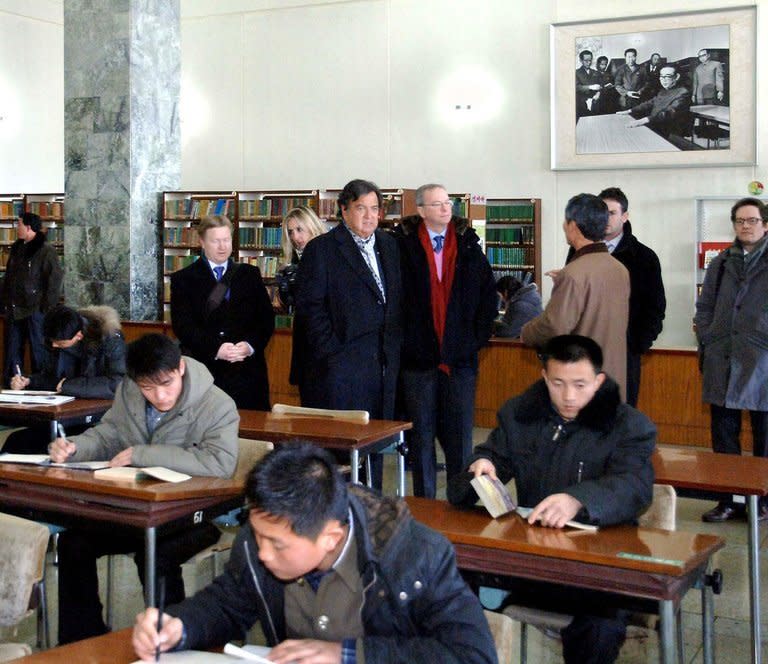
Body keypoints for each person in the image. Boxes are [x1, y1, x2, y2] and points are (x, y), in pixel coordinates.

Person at [132, 441, 497, 664]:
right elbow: (227, 604)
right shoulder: (260, 538)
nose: (262, 553)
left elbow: (473, 656)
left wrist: (348, 656)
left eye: (277, 544)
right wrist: (179, 626)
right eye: (258, 536)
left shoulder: (414, 555)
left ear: (331, 537)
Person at [447, 335, 655, 664]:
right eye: (558, 383)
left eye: (580, 384)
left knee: (599, 628)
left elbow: (634, 486)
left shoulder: (628, 426)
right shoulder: (520, 416)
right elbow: (478, 471)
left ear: (599, 381)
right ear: (544, 377)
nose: (569, 396)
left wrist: (578, 500)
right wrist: (480, 470)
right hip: (535, 563)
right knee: (449, 583)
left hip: (600, 572)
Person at [49, 333, 239, 644]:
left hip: (195, 515)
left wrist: (143, 454)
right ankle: (83, 640)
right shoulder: (130, 392)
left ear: (180, 368)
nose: (159, 396)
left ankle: (172, 641)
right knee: (74, 542)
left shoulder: (217, 404)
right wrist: (76, 447)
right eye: (148, 388)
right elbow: (110, 433)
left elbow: (219, 464)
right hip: (137, 510)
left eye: (165, 384)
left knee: (156, 553)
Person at [295, 179, 402, 490]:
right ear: (343, 210)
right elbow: (310, 309)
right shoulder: (323, 250)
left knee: (377, 445)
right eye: (360, 209)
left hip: (382, 366)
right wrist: (332, 352)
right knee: (341, 453)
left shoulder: (389, 245)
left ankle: (372, 507)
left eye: (374, 209)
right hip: (342, 368)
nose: (369, 216)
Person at [395, 184, 497, 498]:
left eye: (448, 203)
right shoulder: (402, 247)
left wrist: (473, 341)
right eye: (437, 204)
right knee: (421, 439)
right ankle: (425, 506)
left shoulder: (468, 245)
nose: (445, 209)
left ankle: (460, 502)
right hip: (418, 362)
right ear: (421, 210)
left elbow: (487, 298)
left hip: (460, 361)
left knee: (459, 440)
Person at [695, 197, 768, 523]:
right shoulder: (721, 262)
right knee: (724, 435)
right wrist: (708, 337)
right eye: (740, 220)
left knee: (764, 436)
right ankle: (728, 500)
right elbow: (705, 305)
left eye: (752, 220)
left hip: (762, 359)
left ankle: (762, 502)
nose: (745, 226)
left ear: (765, 225)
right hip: (722, 357)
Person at [521, 193, 630, 401]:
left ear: (573, 226)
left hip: (580, 385)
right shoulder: (619, 269)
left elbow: (554, 326)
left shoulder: (574, 274)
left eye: (566, 221)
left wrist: (526, 332)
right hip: (613, 381)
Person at [566, 188, 665, 407]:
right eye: (602, 213)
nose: (606, 218)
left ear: (625, 216)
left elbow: (654, 307)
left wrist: (637, 344)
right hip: (584, 351)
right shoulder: (578, 251)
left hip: (623, 352)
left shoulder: (643, 257)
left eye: (612, 212)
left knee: (619, 416)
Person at [171, 214, 274, 411]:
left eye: (226, 240)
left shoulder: (249, 275)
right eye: (216, 241)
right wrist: (216, 349)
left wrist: (250, 346)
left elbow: (266, 319)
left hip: (248, 373)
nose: (222, 246)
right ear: (202, 242)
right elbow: (183, 326)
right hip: (208, 371)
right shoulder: (184, 279)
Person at [1, 304, 126, 453]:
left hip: (100, 419)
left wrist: (69, 385)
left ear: (78, 335)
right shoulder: (60, 332)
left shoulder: (110, 339)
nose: (54, 345)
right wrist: (29, 381)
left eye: (59, 343)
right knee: (16, 442)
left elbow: (117, 384)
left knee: (45, 445)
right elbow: (53, 378)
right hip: (66, 412)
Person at [1, 211, 63, 385]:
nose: (16, 227)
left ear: (28, 228)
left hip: (36, 309)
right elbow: (9, 276)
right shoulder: (17, 248)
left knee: (39, 349)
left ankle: (40, 382)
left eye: (19, 224)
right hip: (14, 307)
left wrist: (47, 308)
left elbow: (54, 280)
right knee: (12, 350)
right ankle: (12, 382)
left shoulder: (46, 251)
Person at [276, 206, 327, 403]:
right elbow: (290, 303)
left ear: (312, 227)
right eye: (290, 232)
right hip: (305, 342)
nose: (296, 237)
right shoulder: (292, 266)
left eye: (299, 229)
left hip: (326, 343)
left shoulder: (328, 258)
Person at [618, 64, 691, 139]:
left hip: (669, 134)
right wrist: (630, 111)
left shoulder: (683, 92)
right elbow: (650, 103)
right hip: (655, 127)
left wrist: (644, 120)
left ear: (677, 77)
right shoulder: (663, 90)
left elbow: (669, 112)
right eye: (661, 76)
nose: (663, 79)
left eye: (668, 76)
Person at [575, 50, 600, 117]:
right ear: (581, 60)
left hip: (595, 102)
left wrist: (598, 93)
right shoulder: (576, 73)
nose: (589, 63)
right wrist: (590, 87)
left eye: (590, 60)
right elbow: (577, 87)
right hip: (582, 104)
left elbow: (600, 85)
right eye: (586, 61)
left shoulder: (595, 72)